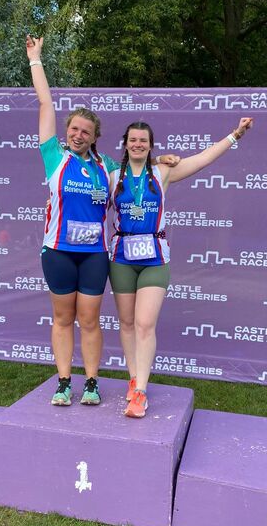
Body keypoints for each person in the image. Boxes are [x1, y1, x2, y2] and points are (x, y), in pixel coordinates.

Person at [26, 35, 178, 407]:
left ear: (95, 138)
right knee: (63, 319)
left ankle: (91, 382)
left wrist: (165, 162)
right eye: (74, 129)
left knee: (90, 320)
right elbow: (45, 102)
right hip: (58, 251)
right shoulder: (54, 158)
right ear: (67, 132)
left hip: (94, 254)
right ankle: (64, 382)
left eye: (86, 132)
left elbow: (139, 169)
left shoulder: (107, 167)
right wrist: (35, 59)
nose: (78, 135)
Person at [109, 118, 253, 417]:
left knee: (145, 324)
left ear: (150, 146)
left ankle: (140, 392)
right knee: (126, 324)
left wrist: (235, 135)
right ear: (125, 143)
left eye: (143, 141)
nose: (137, 144)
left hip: (154, 259)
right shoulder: (111, 176)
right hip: (121, 257)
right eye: (133, 139)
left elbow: (204, 158)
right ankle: (133, 376)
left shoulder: (162, 172)